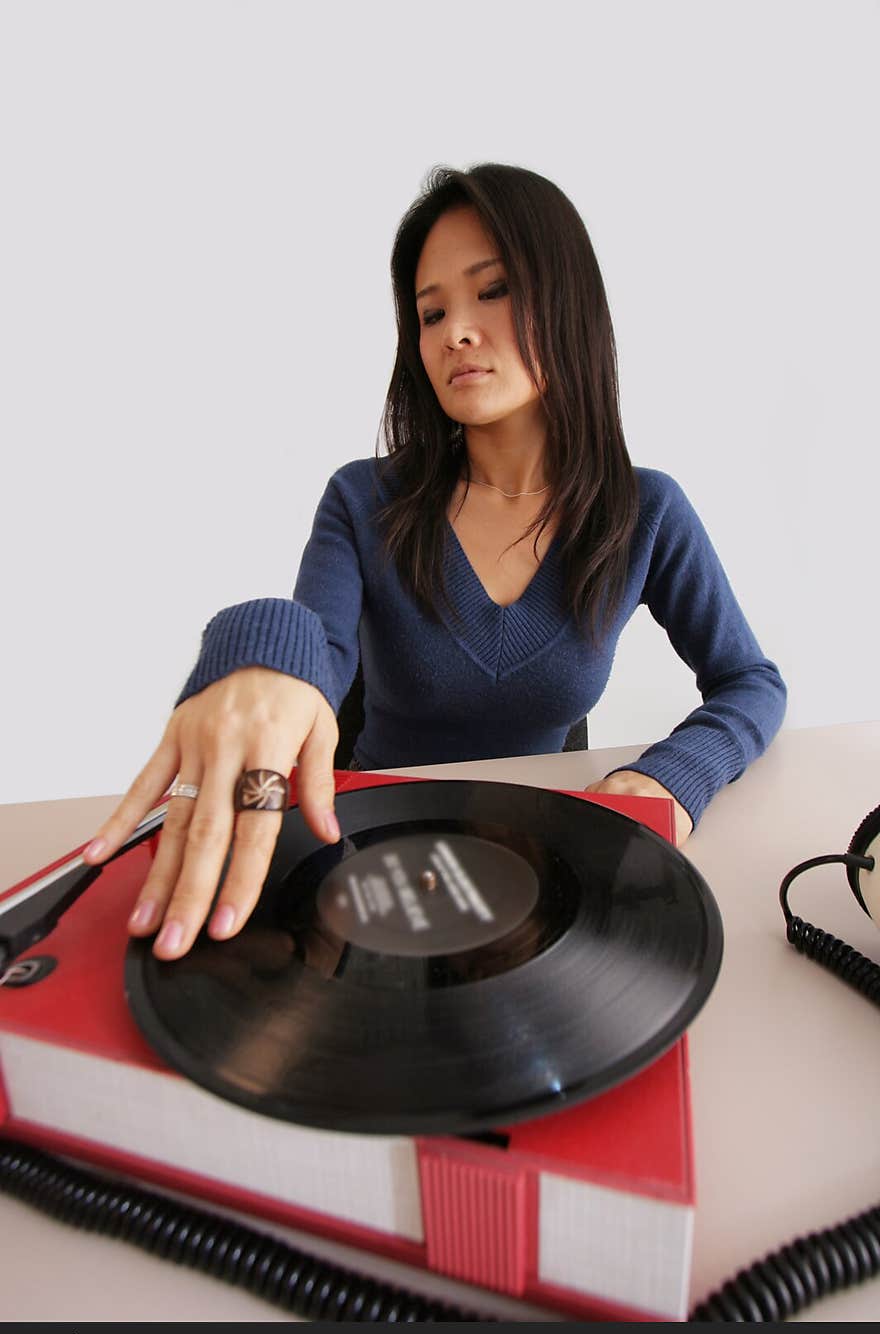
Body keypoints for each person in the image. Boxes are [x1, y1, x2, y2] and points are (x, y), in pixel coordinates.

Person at [84, 163, 786, 961]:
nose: (454, 331)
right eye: (431, 311)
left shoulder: (646, 512)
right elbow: (312, 652)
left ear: (568, 303)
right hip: (370, 862)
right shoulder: (362, 499)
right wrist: (257, 651)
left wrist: (672, 780)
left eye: (493, 292)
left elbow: (751, 683)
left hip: (544, 871)